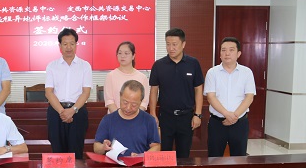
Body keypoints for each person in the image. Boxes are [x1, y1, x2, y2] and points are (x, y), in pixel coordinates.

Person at [149, 28, 204, 158]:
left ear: (183, 44)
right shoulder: (159, 65)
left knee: (184, 155)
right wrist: (152, 114)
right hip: (165, 117)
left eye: (174, 44)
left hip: (186, 117)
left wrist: (198, 114)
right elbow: (154, 91)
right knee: (164, 155)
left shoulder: (193, 63)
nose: (171, 48)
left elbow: (198, 90)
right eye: (168, 44)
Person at [45, 28, 92, 159]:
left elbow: (86, 92)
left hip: (78, 112)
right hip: (56, 112)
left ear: (76, 44)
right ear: (60, 46)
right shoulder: (52, 66)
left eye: (72, 43)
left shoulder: (85, 66)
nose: (68, 47)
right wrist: (62, 112)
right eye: (65, 44)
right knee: (57, 152)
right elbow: (49, 92)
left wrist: (73, 110)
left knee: (76, 152)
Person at [204, 37, 256, 157]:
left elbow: (249, 97)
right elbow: (211, 97)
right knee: (214, 158)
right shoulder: (212, 72)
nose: (227, 53)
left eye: (231, 50)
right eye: (223, 50)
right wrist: (227, 114)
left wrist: (234, 116)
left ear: (238, 53)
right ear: (220, 54)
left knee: (239, 159)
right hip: (217, 123)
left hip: (240, 123)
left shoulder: (247, 72)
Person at [94, 80, 161, 156]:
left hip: (139, 162)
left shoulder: (149, 120)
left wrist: (141, 156)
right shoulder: (108, 120)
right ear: (120, 96)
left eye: (134, 105)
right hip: (113, 163)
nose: (128, 108)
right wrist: (103, 147)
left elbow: (156, 147)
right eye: (125, 102)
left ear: (141, 102)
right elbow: (96, 147)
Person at [104, 41, 150, 114]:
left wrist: (133, 116)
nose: (122, 56)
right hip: (115, 117)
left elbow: (144, 102)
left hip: (136, 118)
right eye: (120, 53)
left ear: (133, 56)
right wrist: (120, 116)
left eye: (126, 53)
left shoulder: (142, 77)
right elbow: (109, 101)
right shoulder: (111, 76)